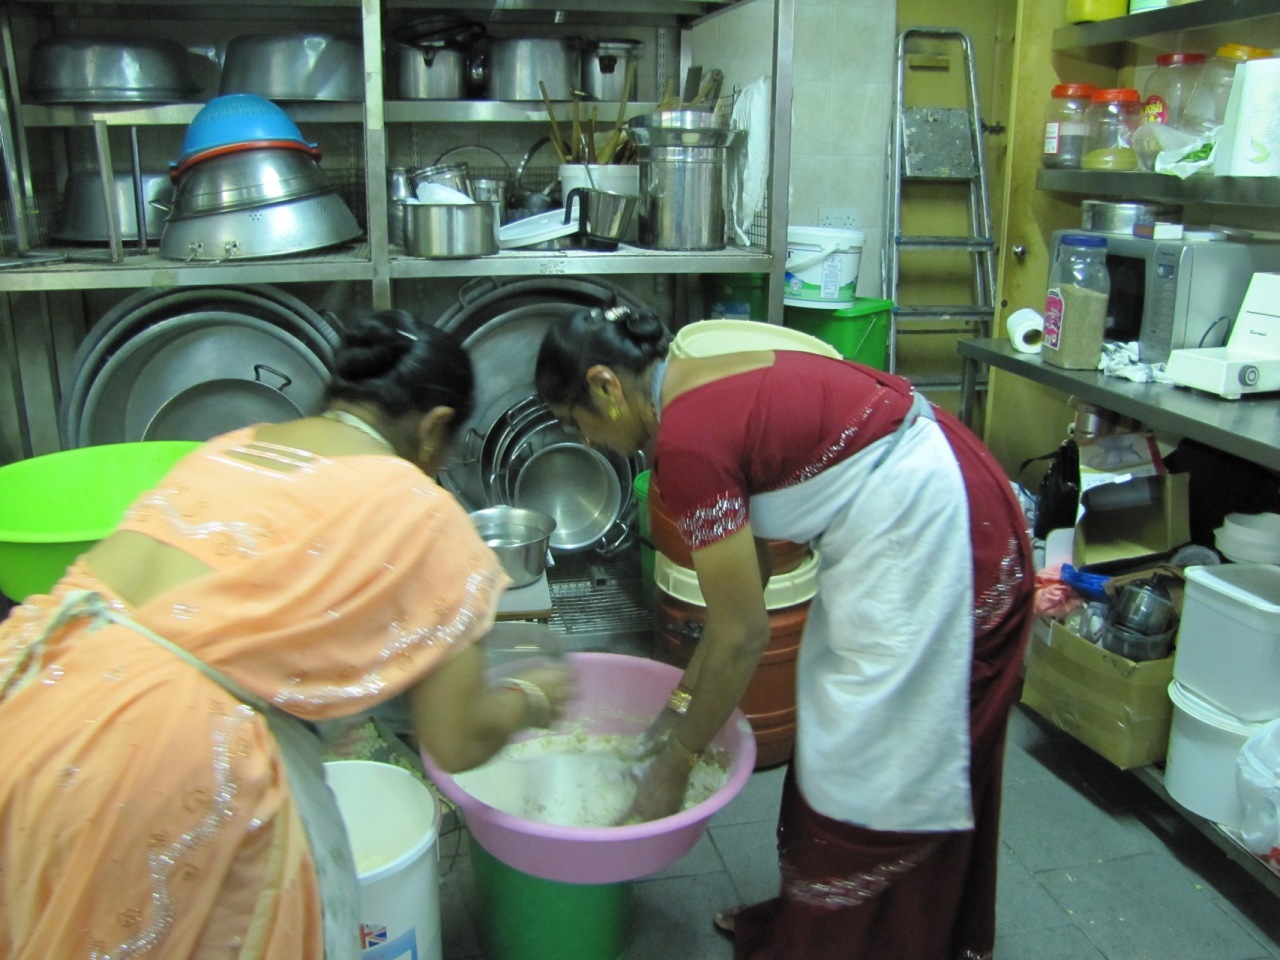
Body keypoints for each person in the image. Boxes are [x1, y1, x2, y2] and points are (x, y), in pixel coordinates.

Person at [0, 309, 573, 960]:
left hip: (34, 681)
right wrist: (531, 695)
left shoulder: (232, 448)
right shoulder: (422, 510)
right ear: (437, 429)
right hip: (155, 754)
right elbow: (459, 737)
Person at [534, 306, 1034, 960]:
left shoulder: (685, 441)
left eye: (580, 424)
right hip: (917, 492)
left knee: (878, 754)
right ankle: (818, 924)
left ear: (606, 385)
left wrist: (676, 763)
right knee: (833, 722)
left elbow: (743, 636)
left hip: (939, 522)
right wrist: (680, 708)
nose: (594, 443)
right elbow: (751, 582)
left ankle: (867, 941)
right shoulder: (688, 368)